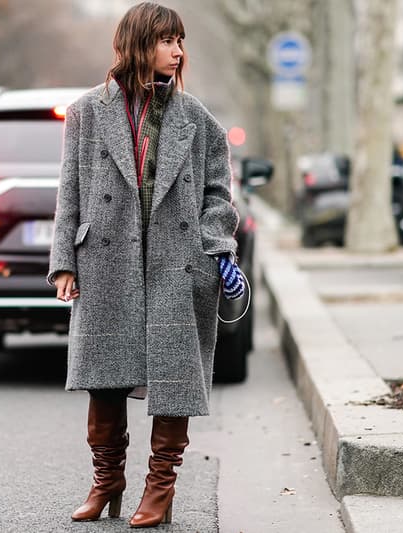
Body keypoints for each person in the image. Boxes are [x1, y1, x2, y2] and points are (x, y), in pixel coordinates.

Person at [47, 2, 244, 527]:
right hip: (106, 260)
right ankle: (106, 481)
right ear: (138, 44)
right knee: (104, 378)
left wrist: (214, 246)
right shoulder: (88, 112)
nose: (178, 52)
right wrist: (64, 261)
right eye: (166, 41)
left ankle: (161, 487)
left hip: (179, 266)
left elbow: (220, 198)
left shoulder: (198, 120)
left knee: (175, 377)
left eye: (180, 41)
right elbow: (70, 194)